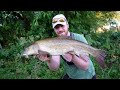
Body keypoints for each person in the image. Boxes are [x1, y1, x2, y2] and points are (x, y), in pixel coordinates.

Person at [36, 14, 96, 79]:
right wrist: (48, 60)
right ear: (54, 29)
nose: (60, 29)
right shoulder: (55, 43)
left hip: (87, 76)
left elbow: (85, 66)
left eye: (62, 26)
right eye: (57, 27)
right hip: (72, 75)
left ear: (67, 25)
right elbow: (55, 67)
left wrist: (72, 57)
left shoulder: (79, 38)